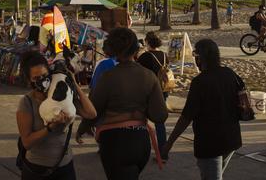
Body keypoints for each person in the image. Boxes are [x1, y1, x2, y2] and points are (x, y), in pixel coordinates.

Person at [81, 28, 168, 180]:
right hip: (141, 143)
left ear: (112, 49)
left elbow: (93, 111)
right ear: (136, 48)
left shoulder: (108, 77)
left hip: (115, 143)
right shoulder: (149, 76)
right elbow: (160, 115)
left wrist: (82, 128)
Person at [162, 39, 242, 180]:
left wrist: (169, 144)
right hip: (232, 139)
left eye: (195, 55)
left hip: (210, 143)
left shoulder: (200, 82)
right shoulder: (230, 74)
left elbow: (186, 117)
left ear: (200, 58)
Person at [16, 51, 96, 180]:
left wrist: (73, 83)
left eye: (44, 75)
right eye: (36, 78)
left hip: (65, 165)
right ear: (29, 79)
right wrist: (50, 128)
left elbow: (91, 113)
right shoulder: (27, 102)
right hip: (37, 169)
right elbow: (27, 143)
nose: (42, 81)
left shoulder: (63, 94)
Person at [137, 31, 169, 153]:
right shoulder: (164, 55)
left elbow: (137, 70)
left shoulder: (145, 56)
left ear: (147, 42)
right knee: (160, 121)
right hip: (163, 90)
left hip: (148, 92)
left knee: (142, 120)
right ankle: (163, 151)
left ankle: (142, 148)